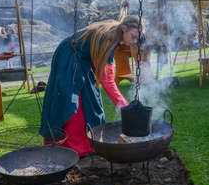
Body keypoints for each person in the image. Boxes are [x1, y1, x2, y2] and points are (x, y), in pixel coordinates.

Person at [40, 15, 145, 157]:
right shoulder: (109, 37)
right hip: (68, 55)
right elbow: (107, 79)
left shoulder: (116, 34)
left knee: (91, 99)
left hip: (84, 60)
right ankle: (69, 148)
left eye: (136, 39)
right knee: (70, 102)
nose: (134, 41)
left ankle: (88, 144)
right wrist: (123, 106)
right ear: (124, 28)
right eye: (133, 37)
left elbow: (102, 67)